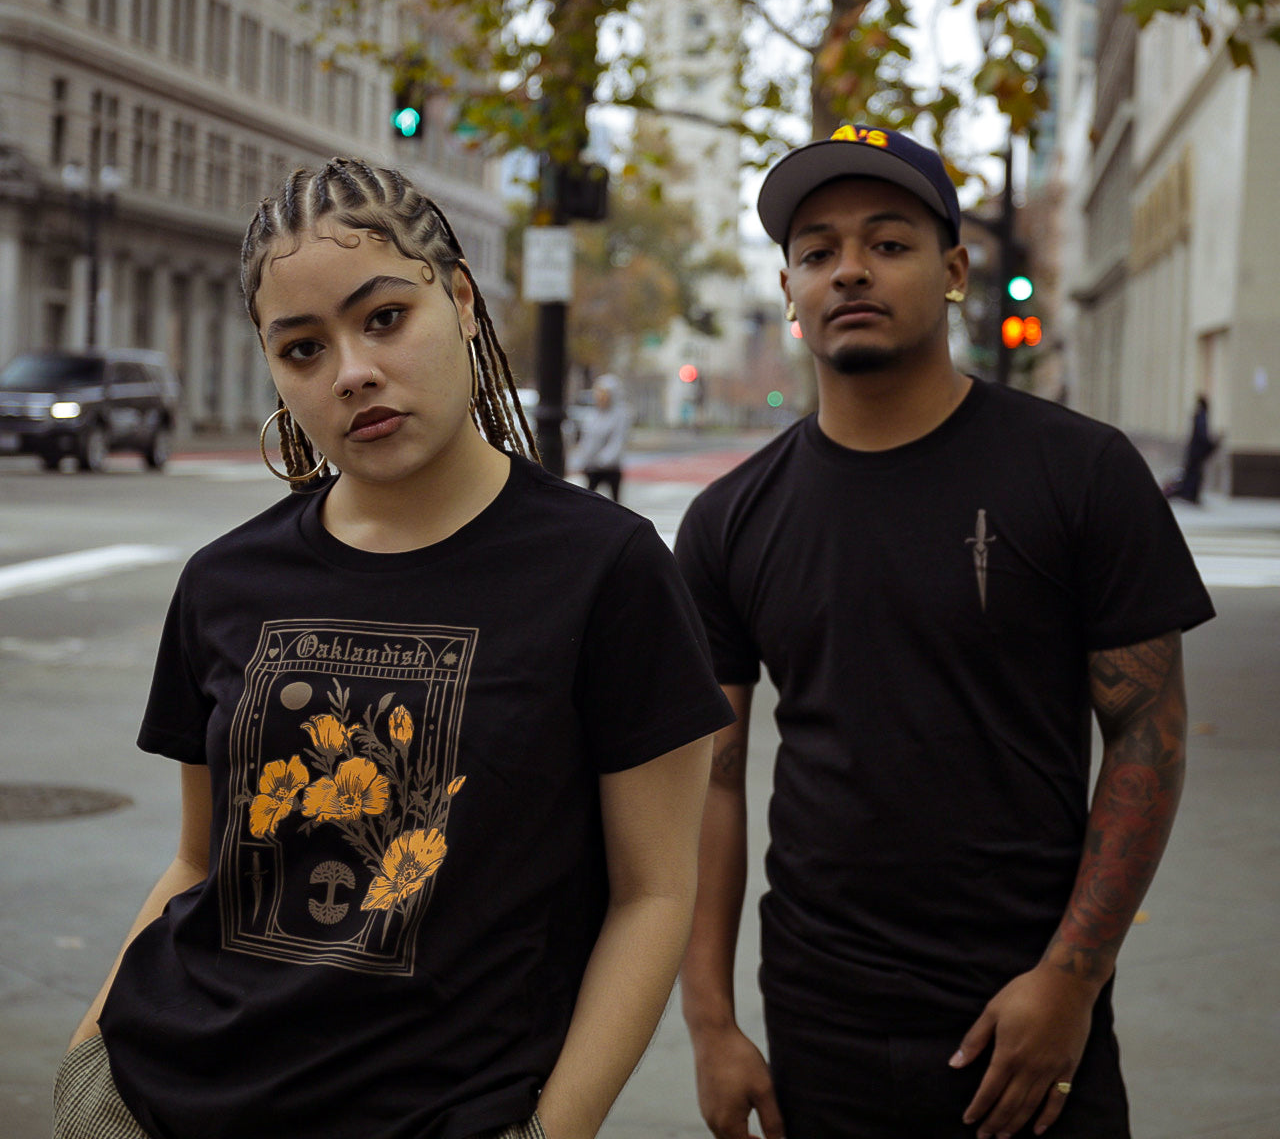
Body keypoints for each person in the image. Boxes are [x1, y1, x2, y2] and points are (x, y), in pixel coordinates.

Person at [54, 158, 732, 1139]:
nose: (351, 370)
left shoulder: (606, 568)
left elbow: (653, 892)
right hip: (155, 1098)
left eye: (382, 318)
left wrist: (555, 1128)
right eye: (301, 347)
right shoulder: (222, 579)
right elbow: (199, 858)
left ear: (458, 297)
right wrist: (88, 1061)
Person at [674, 125, 1215, 1139]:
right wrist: (709, 1019)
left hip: (1026, 1006)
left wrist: (1071, 977)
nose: (848, 270)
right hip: (816, 1015)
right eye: (816, 250)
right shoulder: (728, 520)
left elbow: (1147, 734)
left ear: (954, 269)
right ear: (788, 290)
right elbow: (706, 778)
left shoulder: (1079, 473)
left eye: (887, 242)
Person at [570, 374, 631, 503]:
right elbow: (586, 441)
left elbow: (617, 442)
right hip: (592, 468)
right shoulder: (592, 415)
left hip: (610, 468)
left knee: (615, 502)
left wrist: (602, 460)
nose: (600, 396)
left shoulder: (620, 415)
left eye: (604, 393)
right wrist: (581, 459)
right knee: (588, 498)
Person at [1165, 394, 1217, 504]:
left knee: (1192, 472)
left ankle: (1189, 494)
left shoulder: (1197, 415)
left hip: (1194, 451)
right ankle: (1190, 494)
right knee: (1194, 473)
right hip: (1197, 452)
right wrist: (1210, 443)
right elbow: (1202, 435)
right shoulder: (1201, 417)